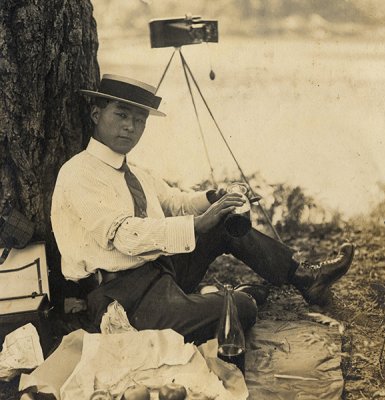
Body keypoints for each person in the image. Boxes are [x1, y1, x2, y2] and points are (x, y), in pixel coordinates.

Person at [51, 74, 354, 344]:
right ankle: (233, 297)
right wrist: (196, 225)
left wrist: (215, 199)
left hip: (159, 270)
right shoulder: (79, 174)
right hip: (122, 296)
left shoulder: (134, 172)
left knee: (224, 223)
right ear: (96, 114)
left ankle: (305, 278)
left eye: (140, 120)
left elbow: (174, 200)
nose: (131, 127)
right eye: (121, 115)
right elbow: (125, 236)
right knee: (240, 309)